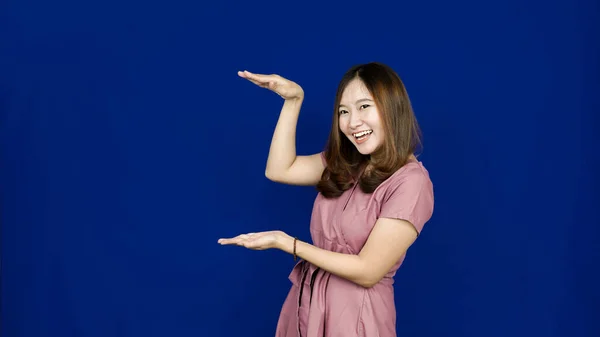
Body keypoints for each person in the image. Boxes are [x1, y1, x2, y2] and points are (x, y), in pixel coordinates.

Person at [218, 62, 434, 337]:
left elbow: (368, 270)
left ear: (392, 107)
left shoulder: (411, 182)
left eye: (364, 106)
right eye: (344, 111)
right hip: (308, 305)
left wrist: (287, 243)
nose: (353, 122)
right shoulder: (346, 162)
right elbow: (279, 169)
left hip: (356, 318)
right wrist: (293, 100)